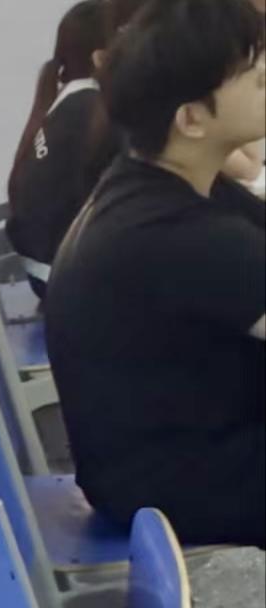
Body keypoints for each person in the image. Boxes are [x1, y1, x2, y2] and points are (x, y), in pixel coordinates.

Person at [45, 0, 266, 547]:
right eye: (257, 79)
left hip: (177, 445)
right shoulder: (178, 234)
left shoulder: (157, 179)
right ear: (191, 119)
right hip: (180, 479)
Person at [6, 0, 121, 300]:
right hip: (65, 280)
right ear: (101, 57)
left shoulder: (69, 100)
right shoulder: (93, 111)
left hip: (43, 271)